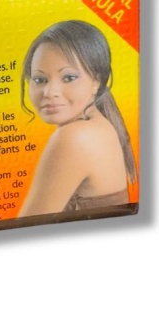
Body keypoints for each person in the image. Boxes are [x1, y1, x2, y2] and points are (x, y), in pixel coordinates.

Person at [19, 20, 137, 216]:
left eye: (69, 78)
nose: (50, 92)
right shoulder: (100, 124)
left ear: (97, 81)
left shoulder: (75, 137)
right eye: (40, 79)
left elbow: (26, 229)